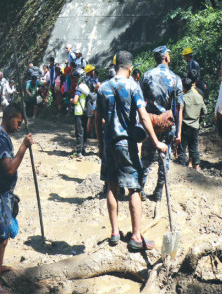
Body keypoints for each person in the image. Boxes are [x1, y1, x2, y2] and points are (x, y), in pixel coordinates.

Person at [96, 51, 167, 251]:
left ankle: (115, 233)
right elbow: (144, 118)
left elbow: (96, 119)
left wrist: (100, 146)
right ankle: (136, 237)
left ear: (115, 65)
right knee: (134, 188)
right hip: (127, 145)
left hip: (109, 144)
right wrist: (156, 141)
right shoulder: (133, 86)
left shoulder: (103, 88)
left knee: (112, 185)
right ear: (130, 67)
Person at [0, 103, 33, 294]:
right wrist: (23, 147)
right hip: (0, 193)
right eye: (18, 122)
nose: (19, 126)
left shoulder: (1, 136)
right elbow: (9, 168)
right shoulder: (0, 139)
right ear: (10, 116)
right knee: (2, 238)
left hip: (3, 191)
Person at [140, 46, 184, 202]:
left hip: (150, 124)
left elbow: (140, 103)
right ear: (166, 57)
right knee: (164, 159)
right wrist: (179, 132)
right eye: (169, 54)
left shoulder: (146, 76)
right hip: (167, 125)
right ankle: (158, 191)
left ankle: (141, 189)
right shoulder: (175, 78)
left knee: (145, 157)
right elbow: (179, 106)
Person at [177, 77, 207, 171]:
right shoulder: (199, 97)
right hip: (195, 126)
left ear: (183, 87)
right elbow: (205, 111)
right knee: (194, 147)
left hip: (185, 126)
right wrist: (198, 118)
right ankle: (197, 167)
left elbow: (179, 113)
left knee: (182, 148)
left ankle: (181, 168)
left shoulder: (184, 98)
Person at [70, 68, 89, 158]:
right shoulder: (86, 86)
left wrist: (71, 100)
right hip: (85, 112)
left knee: (79, 132)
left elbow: (75, 100)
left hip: (78, 112)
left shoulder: (79, 88)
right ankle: (84, 149)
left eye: (77, 77)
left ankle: (79, 151)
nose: (75, 79)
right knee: (84, 131)